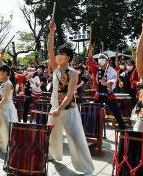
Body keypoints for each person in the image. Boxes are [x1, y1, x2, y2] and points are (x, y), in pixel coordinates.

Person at [47, 20, 94, 176]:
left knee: (74, 137)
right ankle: (52, 155)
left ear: (68, 57)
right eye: (58, 53)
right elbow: (49, 49)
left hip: (68, 108)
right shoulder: (54, 68)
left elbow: (70, 94)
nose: (58, 56)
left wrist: (59, 109)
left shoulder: (73, 73)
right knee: (52, 134)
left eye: (62, 54)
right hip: (54, 107)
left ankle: (86, 168)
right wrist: (52, 32)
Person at [87, 45, 126, 130]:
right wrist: (90, 51)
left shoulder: (112, 70)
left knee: (116, 113)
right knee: (93, 112)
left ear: (107, 60)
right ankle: (92, 129)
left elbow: (112, 82)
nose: (100, 60)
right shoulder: (97, 69)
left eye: (102, 58)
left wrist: (106, 83)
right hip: (99, 95)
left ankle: (123, 129)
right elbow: (90, 61)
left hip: (109, 95)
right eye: (99, 58)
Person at [0, 64, 18, 153]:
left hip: (7, 109)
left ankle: (11, 147)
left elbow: (5, 99)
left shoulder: (8, 83)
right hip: (1, 108)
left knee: (8, 128)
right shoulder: (2, 82)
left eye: (0, 71)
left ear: (5, 73)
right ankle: (0, 145)